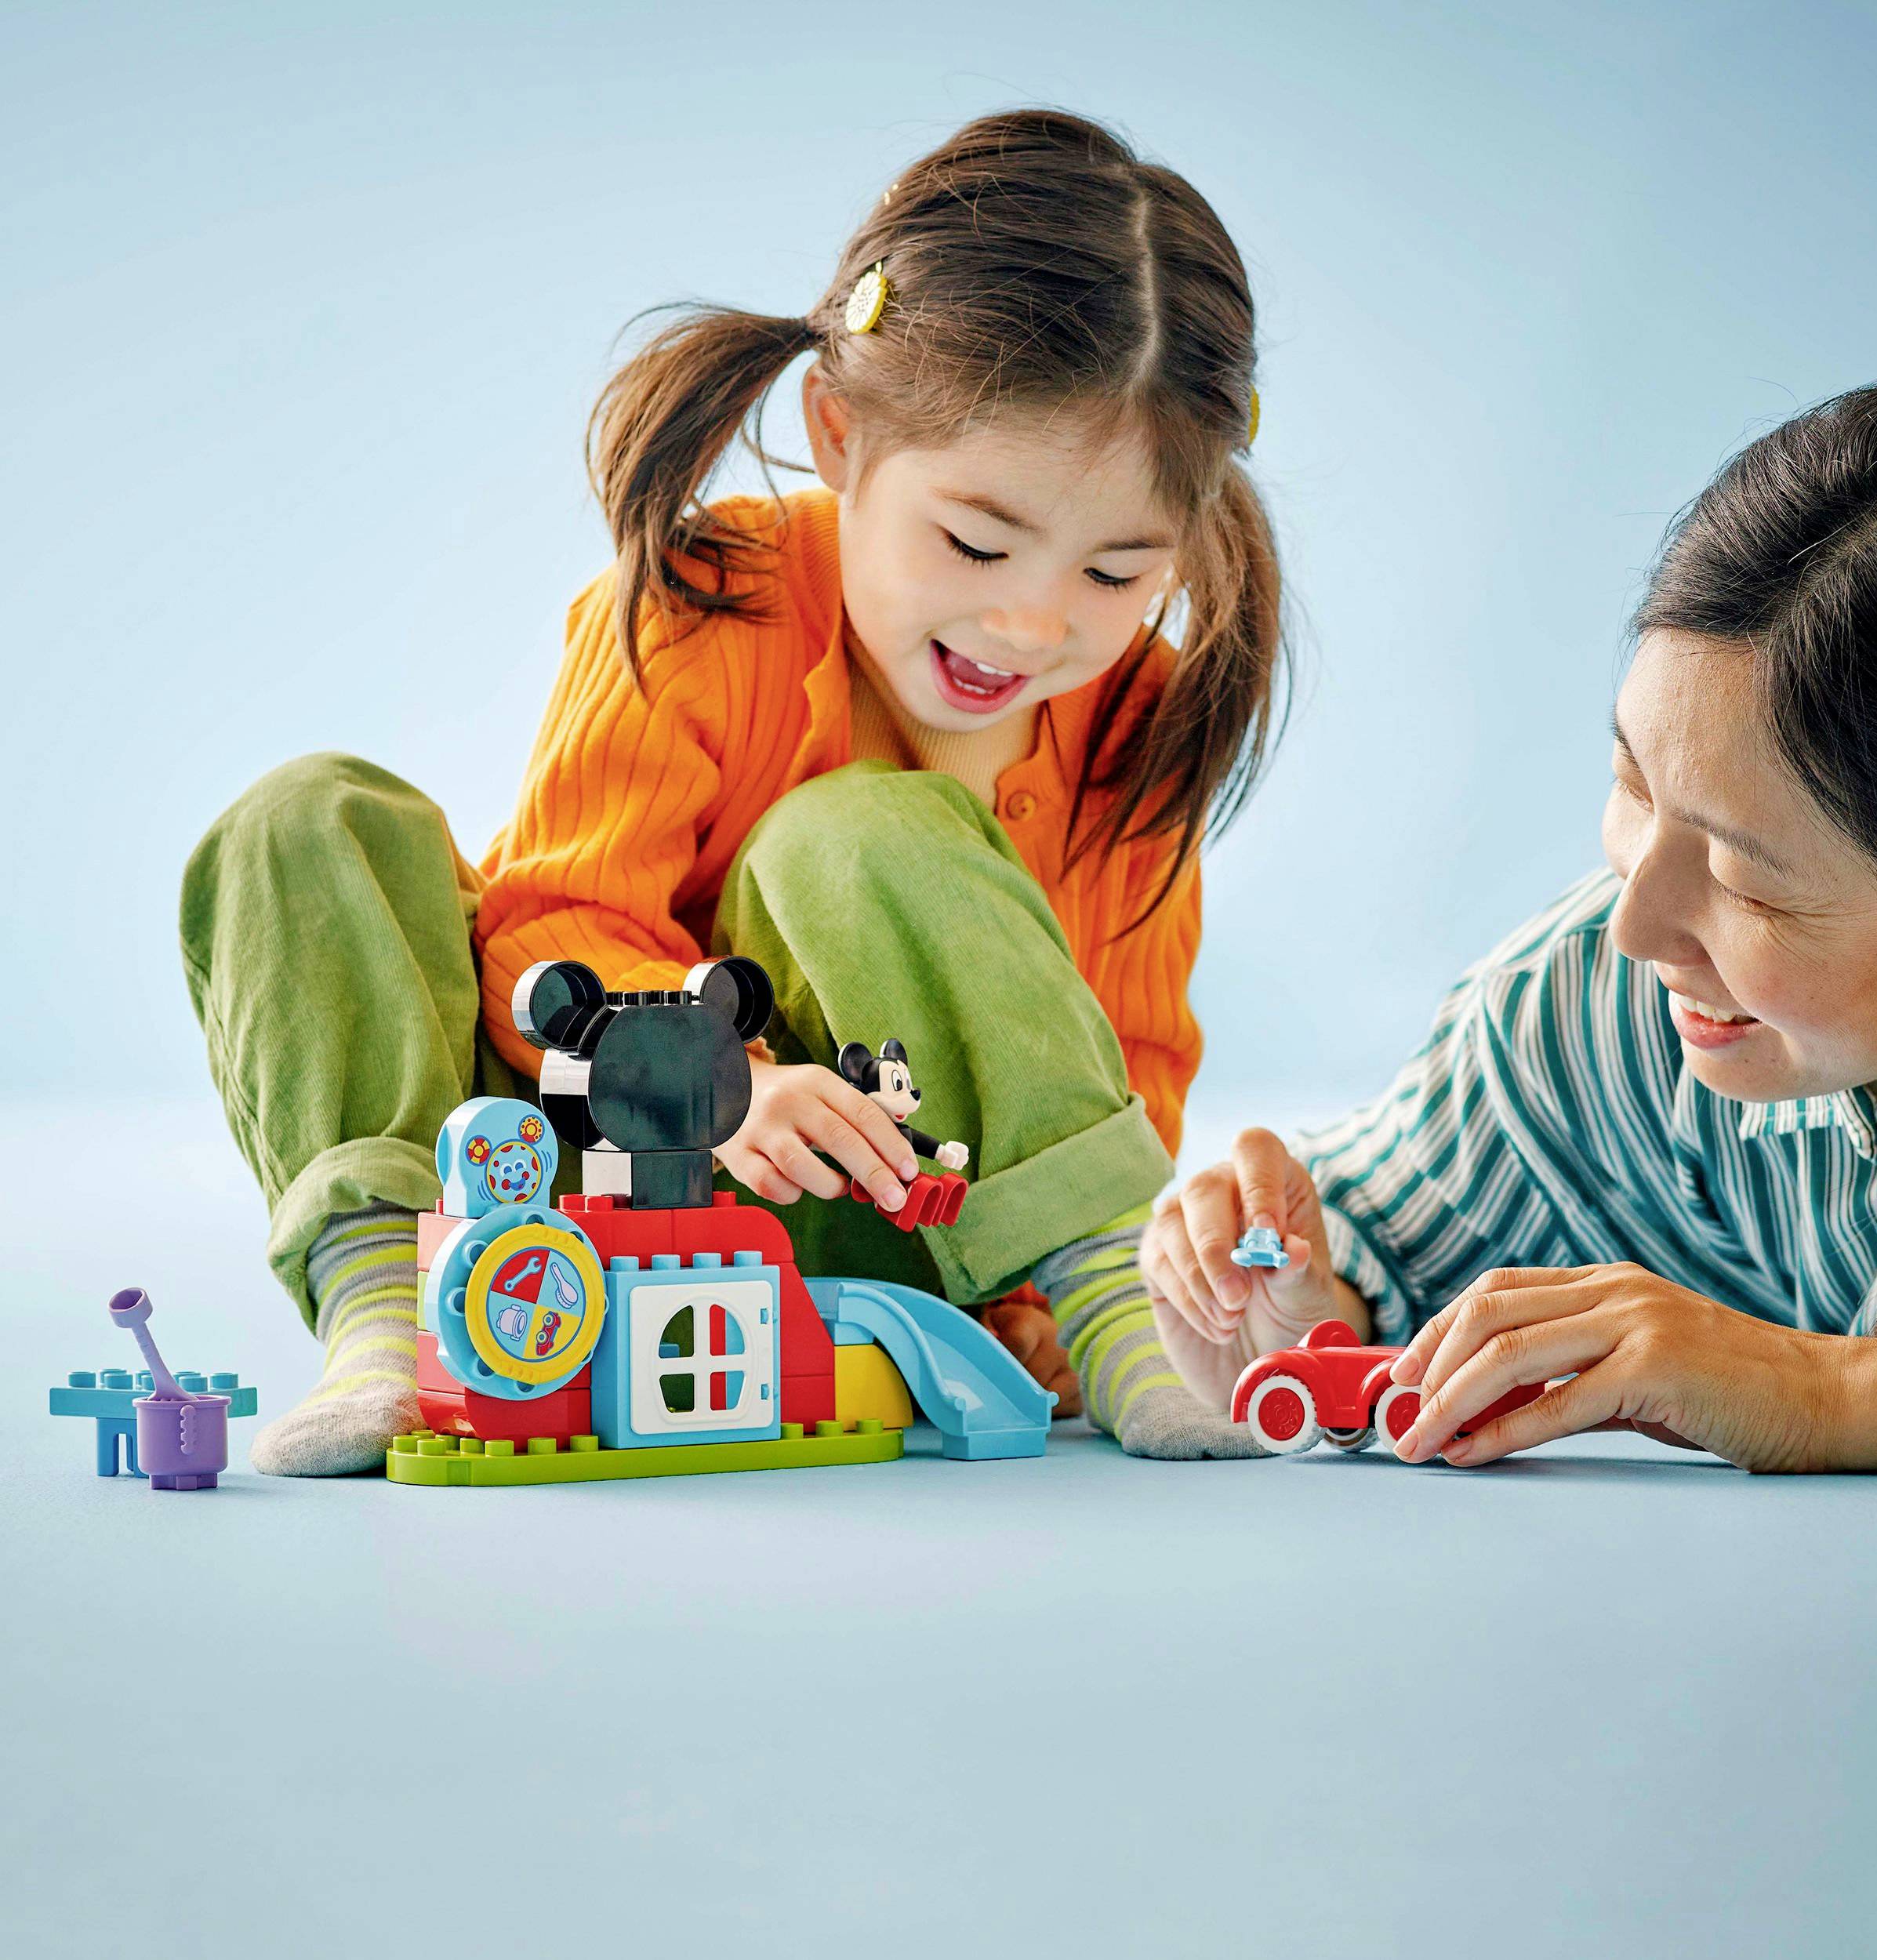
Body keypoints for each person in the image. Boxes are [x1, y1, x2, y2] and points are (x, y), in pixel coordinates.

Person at [180, 107, 1291, 1473]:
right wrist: (721, 1092)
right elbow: (555, 920)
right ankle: (392, 1312)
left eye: (1117, 574)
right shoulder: (711, 598)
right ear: (840, 435)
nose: (1030, 623)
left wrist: (1040, 1306)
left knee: (860, 832)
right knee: (303, 820)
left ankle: (1109, 1309)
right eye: (974, 542)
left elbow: (1122, 1058)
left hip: (854, 1212)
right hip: (542, 1192)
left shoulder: (1141, 725)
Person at [1147, 383, 1877, 1474]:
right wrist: (1301, 1316)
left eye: (1741, 875)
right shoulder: (1598, 1016)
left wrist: (1824, 1392)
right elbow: (1373, 1249)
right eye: (1634, 784)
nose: (1638, 927)